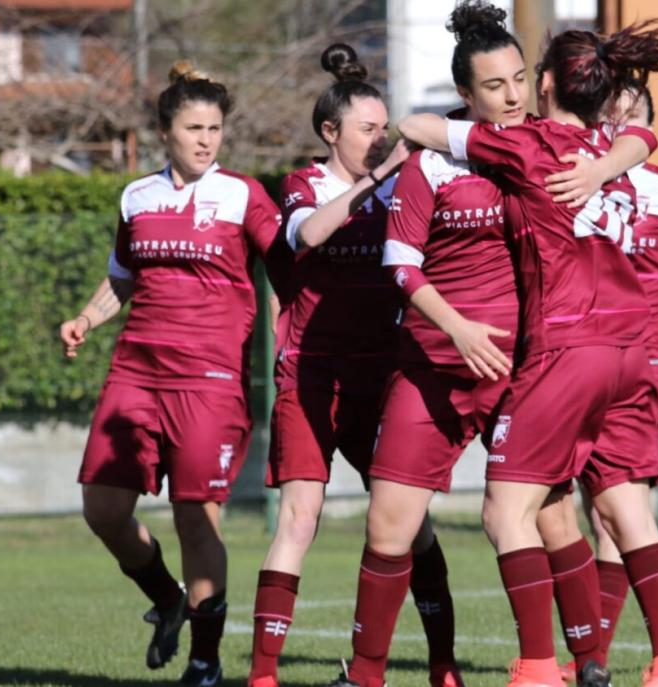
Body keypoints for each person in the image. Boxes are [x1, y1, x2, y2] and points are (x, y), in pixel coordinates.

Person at [330, 5, 634, 687]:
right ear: (466, 98)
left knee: (552, 516)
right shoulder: (434, 162)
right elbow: (402, 266)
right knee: (388, 523)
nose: (513, 95)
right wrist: (458, 328)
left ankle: (588, 664)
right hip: (435, 366)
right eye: (494, 86)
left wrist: (607, 163)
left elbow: (637, 136)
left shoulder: (550, 145)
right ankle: (367, 673)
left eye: (521, 79)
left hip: (527, 370)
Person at [400, 20, 658, 687]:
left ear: (543, 85)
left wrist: (424, 130)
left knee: (505, 512)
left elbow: (421, 128)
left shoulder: (528, 143)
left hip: (569, 346)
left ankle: (537, 666)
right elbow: (644, 134)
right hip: (634, 351)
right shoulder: (613, 150)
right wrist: (605, 161)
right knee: (625, 507)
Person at [59, 61, 289, 686]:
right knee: (102, 510)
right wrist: (86, 317)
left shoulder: (243, 194)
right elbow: (123, 276)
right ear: (166, 131)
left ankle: (206, 663)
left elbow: (288, 262)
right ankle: (167, 599)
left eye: (215, 128)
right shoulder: (137, 196)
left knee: (196, 515)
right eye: (194, 127)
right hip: (136, 370)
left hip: (210, 379)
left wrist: (293, 325)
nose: (206, 140)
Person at [534, 83, 658, 680]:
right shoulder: (570, 176)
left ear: (646, 125)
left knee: (614, 515)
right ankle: (602, 653)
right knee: (598, 516)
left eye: (633, 113)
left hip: (651, 370)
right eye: (612, 110)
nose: (620, 120)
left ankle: (600, 658)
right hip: (581, 360)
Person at [246, 44, 413, 687]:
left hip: (384, 377)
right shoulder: (303, 184)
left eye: (384, 129)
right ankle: (263, 676)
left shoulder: (404, 186)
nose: (380, 140)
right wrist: (376, 180)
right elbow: (309, 236)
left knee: (407, 527)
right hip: (311, 375)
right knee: (300, 519)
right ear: (330, 132)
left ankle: (442, 667)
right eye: (368, 130)